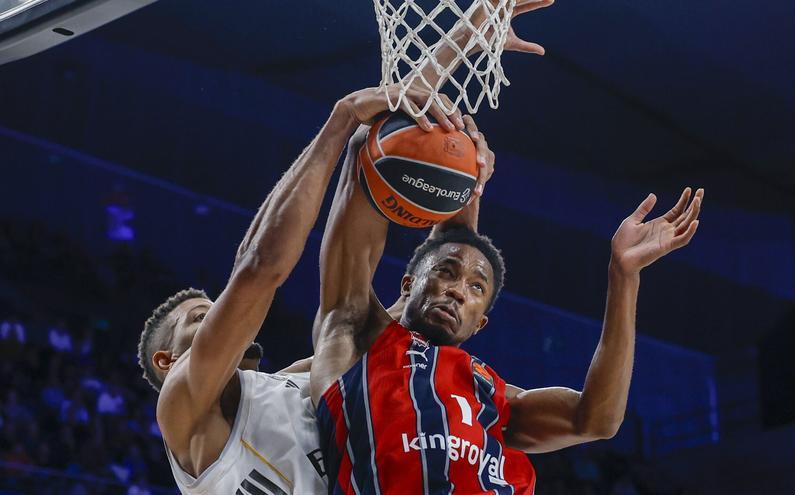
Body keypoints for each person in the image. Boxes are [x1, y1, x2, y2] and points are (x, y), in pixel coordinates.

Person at [310, 116, 705, 492]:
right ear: (409, 285)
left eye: (477, 288)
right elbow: (364, 190)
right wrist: (434, 144)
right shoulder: (358, 335)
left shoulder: (491, 394)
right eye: (445, 272)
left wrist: (624, 277)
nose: (458, 291)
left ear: (480, 323)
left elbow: (596, 419)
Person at [135, 83, 471, 494]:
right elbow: (259, 267)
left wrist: (458, 45)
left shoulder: (295, 385)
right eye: (202, 318)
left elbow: (414, 311)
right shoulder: (183, 413)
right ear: (167, 361)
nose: (221, 315)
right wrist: (342, 118)